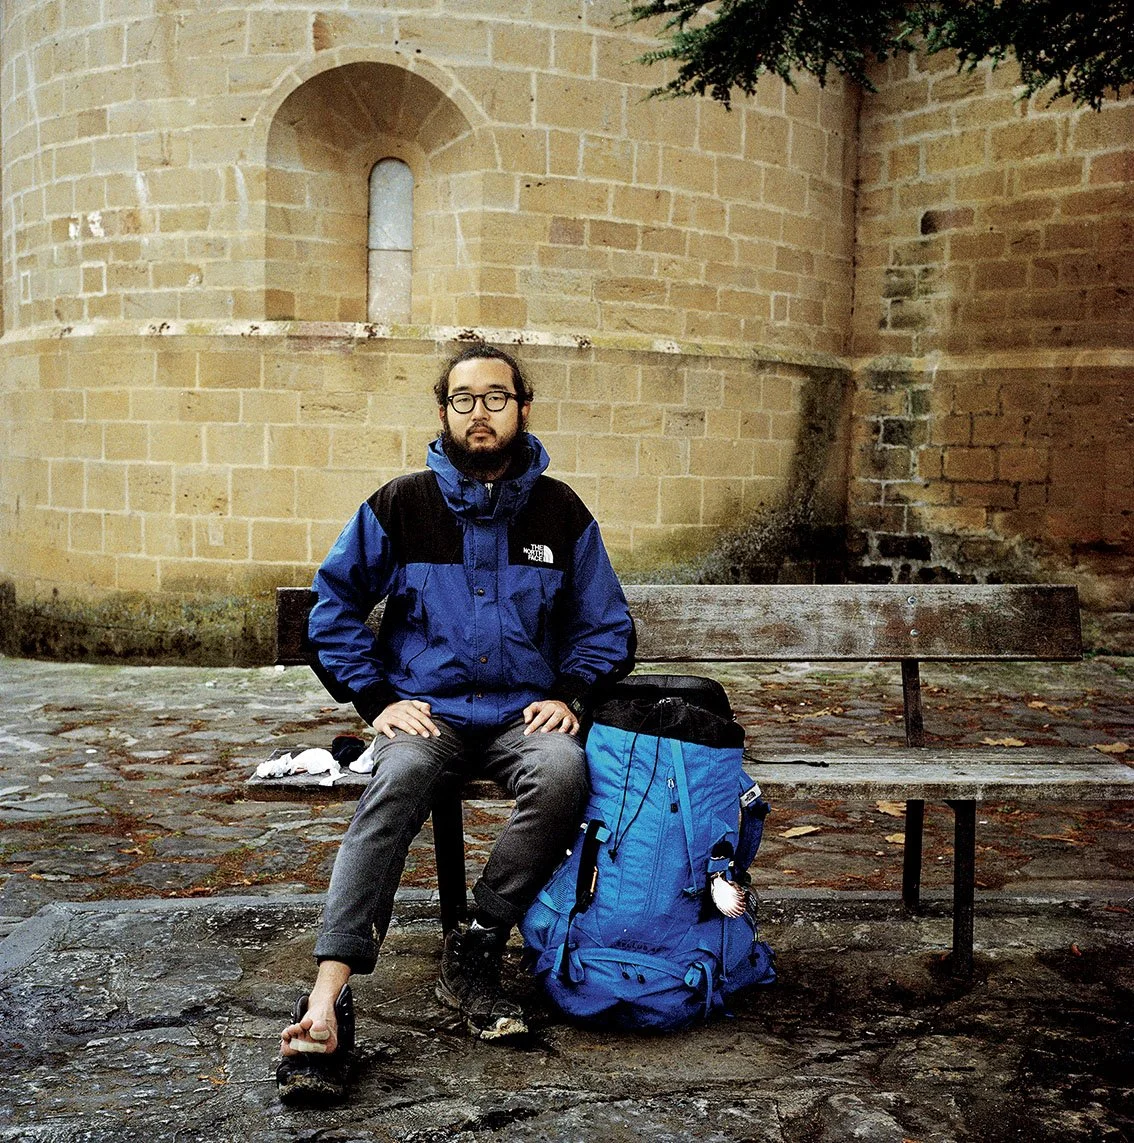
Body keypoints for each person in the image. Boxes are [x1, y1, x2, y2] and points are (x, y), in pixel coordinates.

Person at [276, 344, 635, 1103]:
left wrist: (570, 692)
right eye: (464, 399)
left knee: (566, 770)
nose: (481, 413)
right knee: (396, 779)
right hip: (428, 715)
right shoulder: (400, 505)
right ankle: (328, 993)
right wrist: (377, 702)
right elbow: (331, 611)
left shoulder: (560, 511)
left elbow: (606, 626)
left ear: (523, 409)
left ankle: (477, 941)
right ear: (443, 412)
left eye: (496, 398)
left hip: (520, 714)